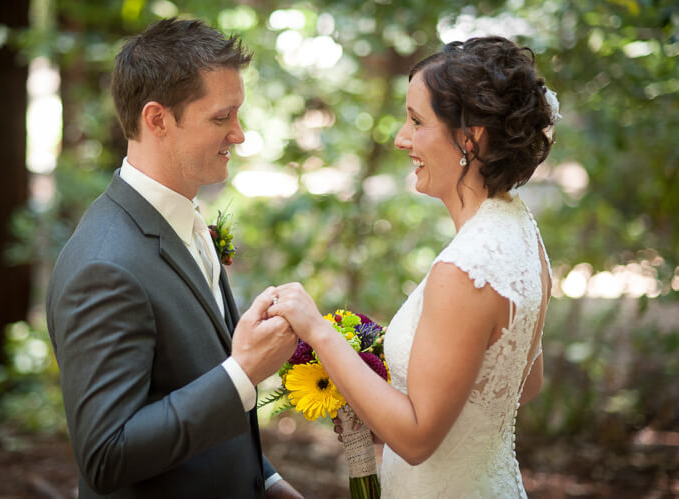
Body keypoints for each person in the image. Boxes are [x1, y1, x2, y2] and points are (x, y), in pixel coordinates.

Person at [270, 36, 559, 498]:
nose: (402, 138)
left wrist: (319, 333)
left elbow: (417, 437)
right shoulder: (522, 231)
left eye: (417, 121)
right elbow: (524, 383)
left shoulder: (464, 270)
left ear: (471, 136)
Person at [46, 18, 302, 498]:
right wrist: (244, 371)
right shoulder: (104, 267)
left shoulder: (182, 221)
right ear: (157, 119)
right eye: (222, 117)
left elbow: (189, 386)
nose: (240, 134)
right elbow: (106, 454)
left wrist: (263, 480)